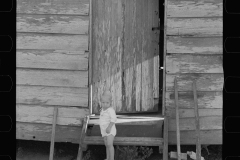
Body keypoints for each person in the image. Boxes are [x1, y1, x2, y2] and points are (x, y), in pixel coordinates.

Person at [99, 91, 117, 160]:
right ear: (101, 102)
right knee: (107, 145)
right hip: (104, 131)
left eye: (107, 103)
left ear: (110, 103)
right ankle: (107, 158)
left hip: (110, 130)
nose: (105, 104)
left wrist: (109, 127)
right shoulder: (102, 110)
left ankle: (111, 158)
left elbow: (113, 119)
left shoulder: (110, 110)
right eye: (103, 102)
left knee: (109, 144)